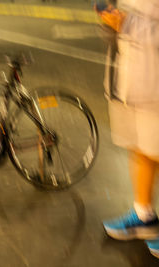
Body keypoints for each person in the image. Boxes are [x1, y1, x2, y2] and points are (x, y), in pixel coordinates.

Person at [98, 0, 159, 259]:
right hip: (129, 80)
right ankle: (144, 215)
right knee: (140, 147)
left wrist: (128, 23)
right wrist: (107, 15)